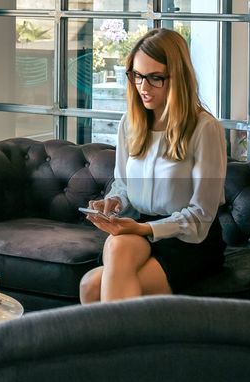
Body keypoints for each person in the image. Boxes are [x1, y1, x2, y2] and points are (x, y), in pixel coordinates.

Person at [79, 28, 227, 303]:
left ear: (178, 77)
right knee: (93, 278)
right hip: (140, 231)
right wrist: (113, 202)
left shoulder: (205, 128)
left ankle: (114, 346)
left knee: (93, 287)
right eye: (137, 76)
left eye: (155, 78)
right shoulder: (130, 123)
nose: (143, 87)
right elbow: (123, 183)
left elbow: (201, 216)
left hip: (189, 242)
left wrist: (143, 230)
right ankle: (124, 346)